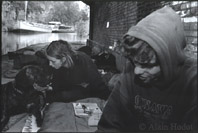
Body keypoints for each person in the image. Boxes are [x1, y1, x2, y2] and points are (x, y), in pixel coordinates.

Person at [97, 6, 197, 132]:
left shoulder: (192, 84)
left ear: (169, 60)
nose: (136, 71)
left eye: (147, 65)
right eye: (134, 63)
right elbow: (109, 125)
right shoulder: (130, 73)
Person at [45, 40, 111, 103]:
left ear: (63, 59)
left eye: (53, 61)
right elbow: (57, 85)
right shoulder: (57, 66)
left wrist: (108, 100)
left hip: (89, 93)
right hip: (72, 92)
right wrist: (48, 88)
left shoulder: (83, 60)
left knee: (65, 95)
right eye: (49, 61)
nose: (50, 64)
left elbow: (97, 83)